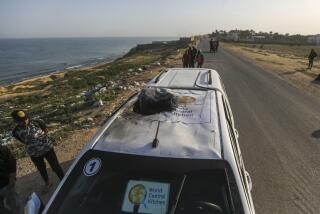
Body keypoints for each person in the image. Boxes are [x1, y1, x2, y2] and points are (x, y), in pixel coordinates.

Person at [11, 110, 64, 192]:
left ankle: (64, 180)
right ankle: (48, 182)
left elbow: (45, 131)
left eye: (25, 119)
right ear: (15, 121)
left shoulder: (38, 122)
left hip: (47, 149)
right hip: (34, 154)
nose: (24, 122)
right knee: (41, 169)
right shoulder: (15, 132)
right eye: (21, 121)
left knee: (56, 166)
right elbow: (23, 141)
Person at [0, 144, 22, 214]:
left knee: (15, 206)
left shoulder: (3, 150)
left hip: (6, 185)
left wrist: (11, 182)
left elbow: (12, 166)